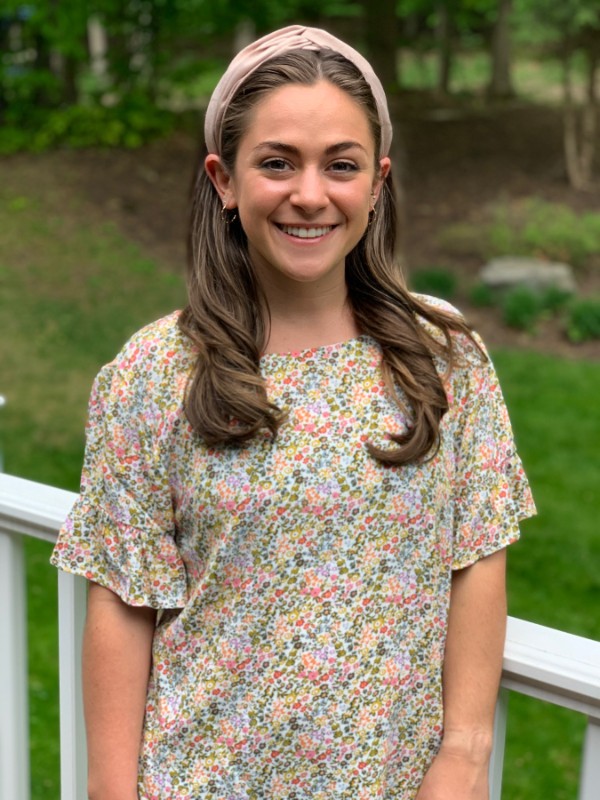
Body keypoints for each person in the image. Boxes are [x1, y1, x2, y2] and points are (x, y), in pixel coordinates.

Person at [51, 24, 536, 800]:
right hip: (202, 781)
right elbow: (123, 596)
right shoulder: (154, 373)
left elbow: (478, 551)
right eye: (277, 162)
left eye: (340, 165)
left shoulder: (442, 355)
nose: (310, 194)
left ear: (376, 184)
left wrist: (466, 754)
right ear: (224, 179)